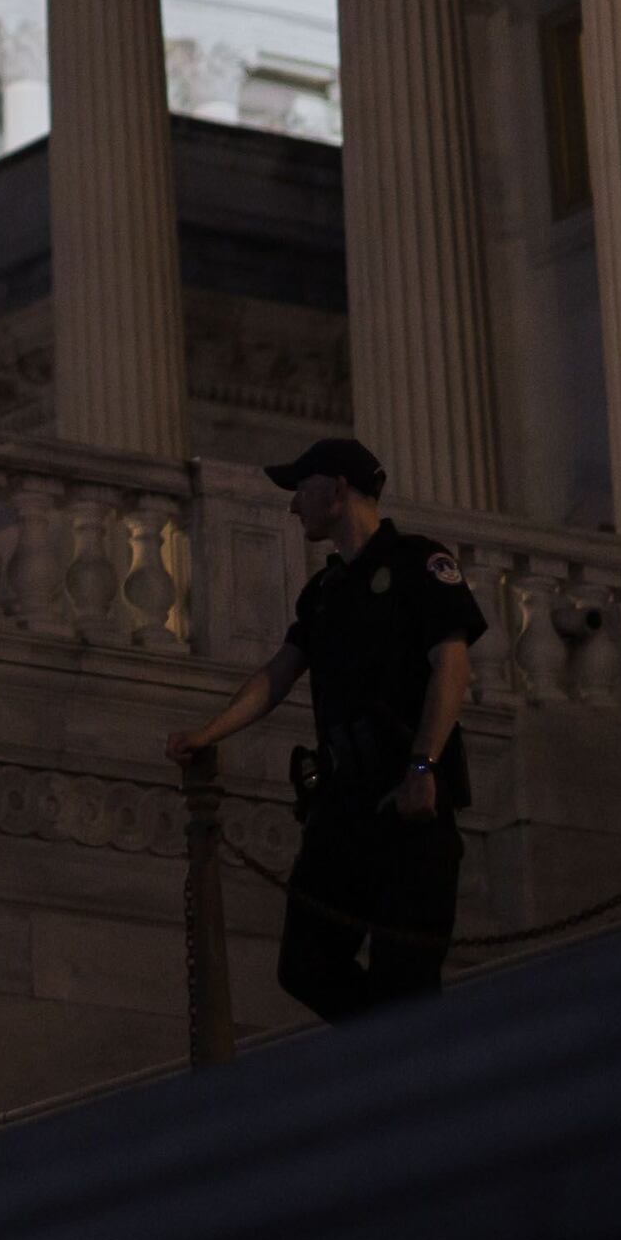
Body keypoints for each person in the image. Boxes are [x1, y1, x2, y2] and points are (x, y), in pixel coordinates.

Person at [163, 436, 487, 1018]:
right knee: (305, 964)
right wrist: (208, 734)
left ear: (337, 491)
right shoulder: (323, 593)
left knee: (404, 978)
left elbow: (452, 665)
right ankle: (394, 1060)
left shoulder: (419, 563)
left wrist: (422, 765)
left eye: (301, 489)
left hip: (407, 802)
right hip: (343, 808)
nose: (293, 506)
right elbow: (277, 675)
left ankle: (409, 1071)